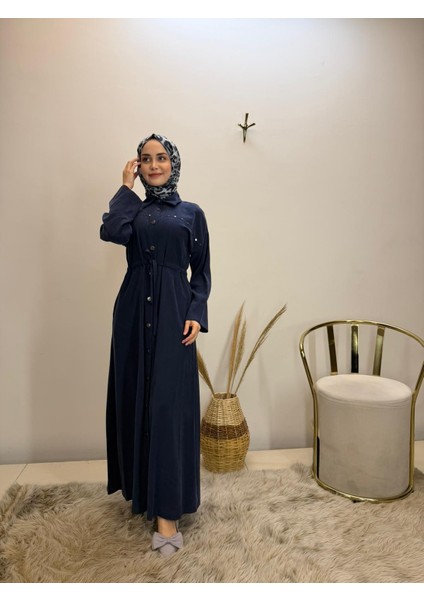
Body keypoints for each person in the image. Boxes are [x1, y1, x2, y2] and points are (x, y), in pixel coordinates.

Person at [100, 133, 211, 556]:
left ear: (173, 163)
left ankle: (167, 516)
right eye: (145, 159)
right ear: (138, 166)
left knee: (168, 407)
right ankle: (143, 493)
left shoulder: (191, 214)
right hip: (132, 314)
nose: (153, 165)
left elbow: (201, 271)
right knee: (137, 399)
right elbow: (111, 232)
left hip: (173, 315)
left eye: (161, 157)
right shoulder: (133, 211)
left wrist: (196, 312)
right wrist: (124, 188)